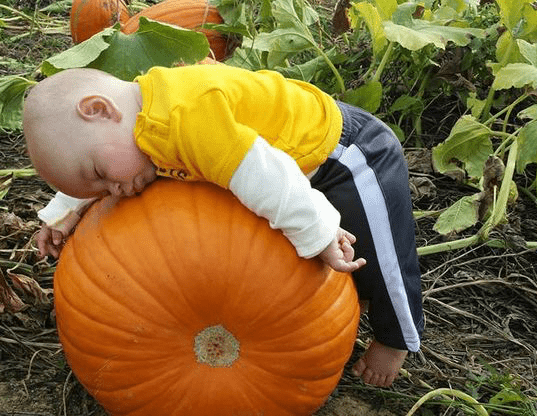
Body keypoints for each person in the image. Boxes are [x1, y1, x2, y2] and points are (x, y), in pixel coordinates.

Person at [22, 64, 423, 388]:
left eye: (100, 176)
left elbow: (267, 177)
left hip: (346, 155)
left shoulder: (190, 117)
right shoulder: (134, 123)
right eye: (98, 189)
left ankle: (396, 339)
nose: (112, 191)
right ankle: (360, 298)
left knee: (383, 254)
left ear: (100, 109)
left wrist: (318, 232)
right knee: (353, 257)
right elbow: (89, 157)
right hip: (292, 162)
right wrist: (64, 211)